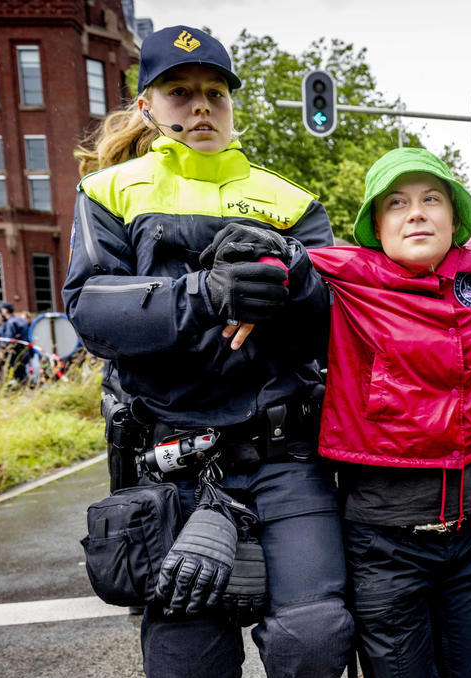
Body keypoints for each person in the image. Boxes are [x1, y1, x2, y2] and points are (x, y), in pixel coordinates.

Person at [62, 25, 352, 678]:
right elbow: (89, 309)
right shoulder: (109, 192)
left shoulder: (290, 201)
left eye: (215, 94)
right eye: (180, 93)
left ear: (231, 104)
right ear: (146, 107)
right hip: (171, 464)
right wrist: (206, 293)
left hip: (285, 455)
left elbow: (338, 321)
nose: (200, 107)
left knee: (315, 638)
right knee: (187, 659)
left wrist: (291, 271)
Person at [256, 147, 471, 678]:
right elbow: (283, 263)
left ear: (454, 216)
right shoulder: (348, 271)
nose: (416, 212)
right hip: (383, 546)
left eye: (431, 199)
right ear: (377, 224)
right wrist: (253, 270)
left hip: (470, 538)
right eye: (396, 203)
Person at [0, 301, 31, 383]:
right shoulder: (20, 320)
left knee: (13, 375)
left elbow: (9, 340)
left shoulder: (10, 322)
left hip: (15, 353)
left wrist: (2, 350)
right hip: (24, 352)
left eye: (0, 310)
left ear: (5, 311)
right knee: (22, 373)